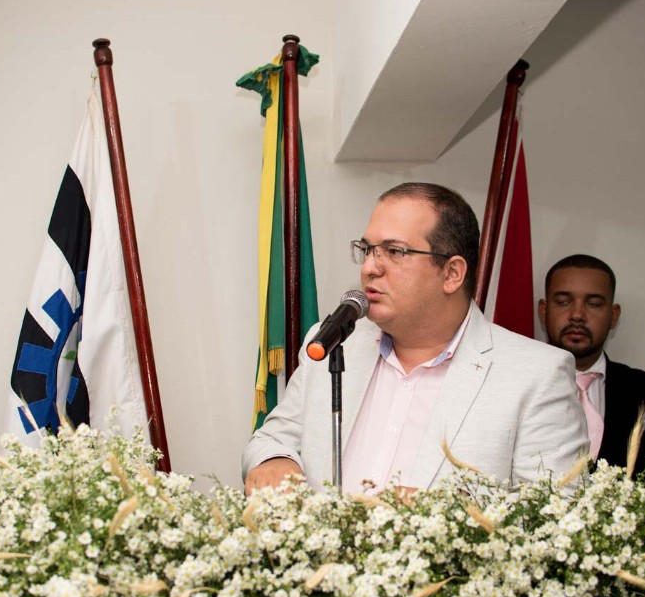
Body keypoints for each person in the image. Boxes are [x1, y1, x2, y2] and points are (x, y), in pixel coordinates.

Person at [243, 183, 587, 494]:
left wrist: (446, 518)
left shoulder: (536, 374)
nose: (369, 268)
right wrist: (274, 460)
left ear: (452, 273)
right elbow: (274, 437)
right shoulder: (332, 342)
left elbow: (556, 509)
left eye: (395, 252)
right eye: (367, 249)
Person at [538, 254, 645, 475]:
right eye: (563, 302)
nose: (577, 315)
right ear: (543, 311)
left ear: (613, 316)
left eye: (593, 304)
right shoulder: (511, 384)